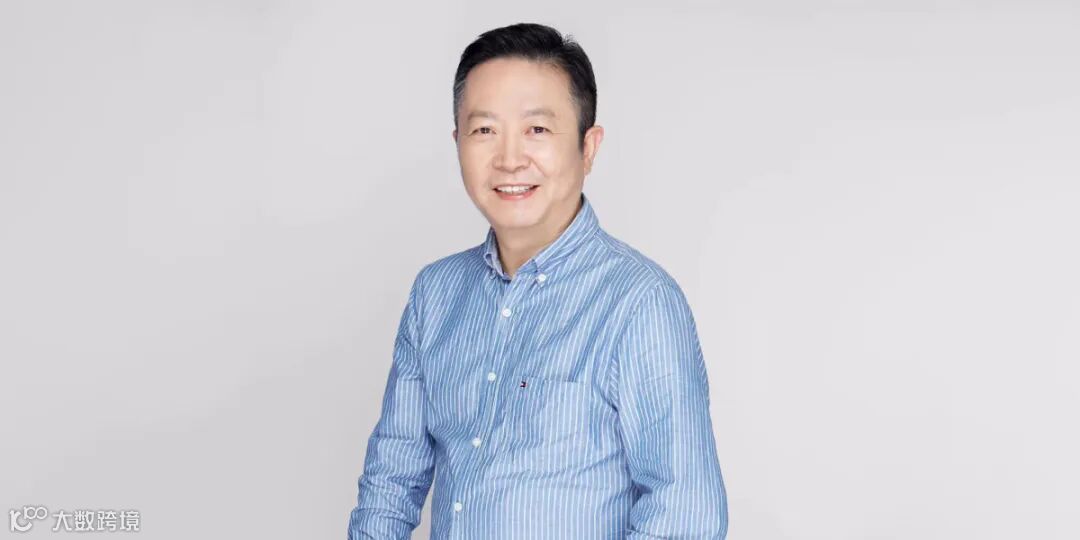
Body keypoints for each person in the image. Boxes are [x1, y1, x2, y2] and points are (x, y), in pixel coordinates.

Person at [348, 22, 728, 540]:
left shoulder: (640, 302)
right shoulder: (434, 295)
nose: (509, 159)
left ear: (588, 147)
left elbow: (684, 516)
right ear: (457, 142)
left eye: (537, 130)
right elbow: (390, 484)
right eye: (485, 130)